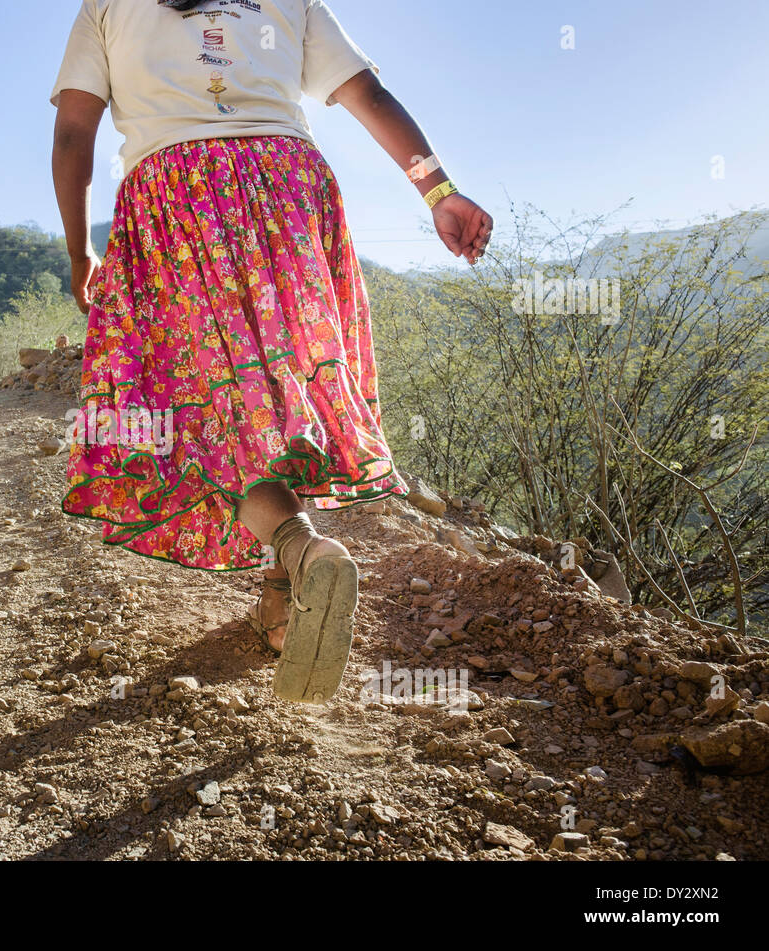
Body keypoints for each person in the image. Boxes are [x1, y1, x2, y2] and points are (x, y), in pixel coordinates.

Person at [51, 0, 492, 703]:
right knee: (275, 393)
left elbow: (76, 131)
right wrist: (439, 190)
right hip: (289, 187)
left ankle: (300, 547)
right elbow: (369, 97)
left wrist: (80, 252)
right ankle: (283, 603)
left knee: (202, 414)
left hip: (175, 198)